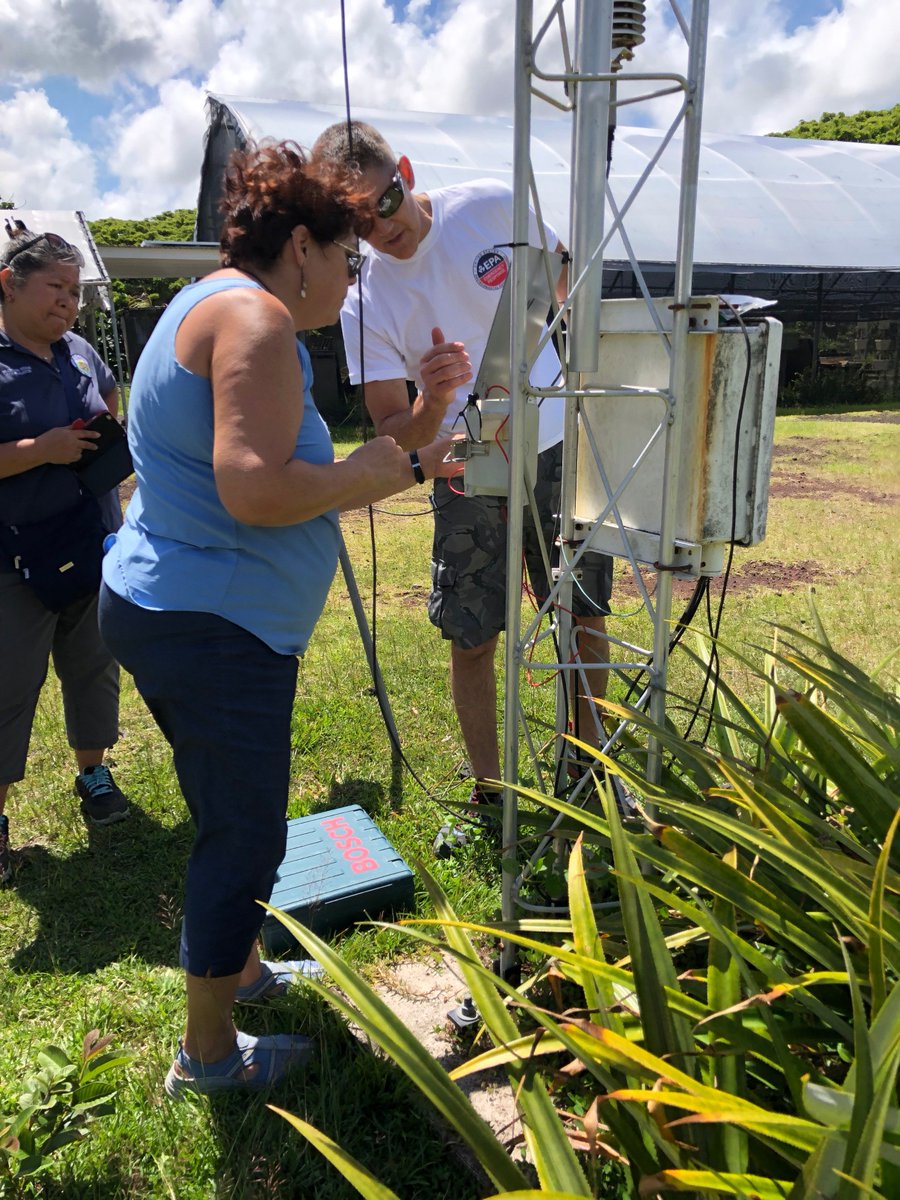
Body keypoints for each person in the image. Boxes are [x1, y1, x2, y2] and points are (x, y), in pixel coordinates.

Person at [98, 140, 444, 1099]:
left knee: (226, 811)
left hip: (172, 604)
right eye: (346, 256)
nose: (352, 278)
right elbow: (255, 489)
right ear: (301, 246)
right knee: (246, 839)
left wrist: (418, 428)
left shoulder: (206, 301)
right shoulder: (258, 318)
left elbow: (257, 470)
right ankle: (207, 1055)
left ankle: (242, 971)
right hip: (212, 625)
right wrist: (370, 474)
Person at [312, 121, 614, 813]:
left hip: (559, 448)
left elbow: (568, 283)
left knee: (583, 614)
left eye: (384, 202)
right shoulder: (365, 301)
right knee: (472, 634)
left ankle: (588, 770)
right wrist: (432, 400)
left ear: (406, 171)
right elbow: (394, 431)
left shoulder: (491, 207)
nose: (380, 228)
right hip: (464, 470)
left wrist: (571, 353)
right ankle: (491, 790)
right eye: (356, 221)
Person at [0, 228, 130, 886]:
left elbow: (108, 400)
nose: (68, 302)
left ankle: (94, 773)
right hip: (15, 558)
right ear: (9, 284)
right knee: (8, 686)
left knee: (93, 666)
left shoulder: (79, 351)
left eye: (75, 291)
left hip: (92, 541)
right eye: (55, 287)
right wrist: (39, 451)